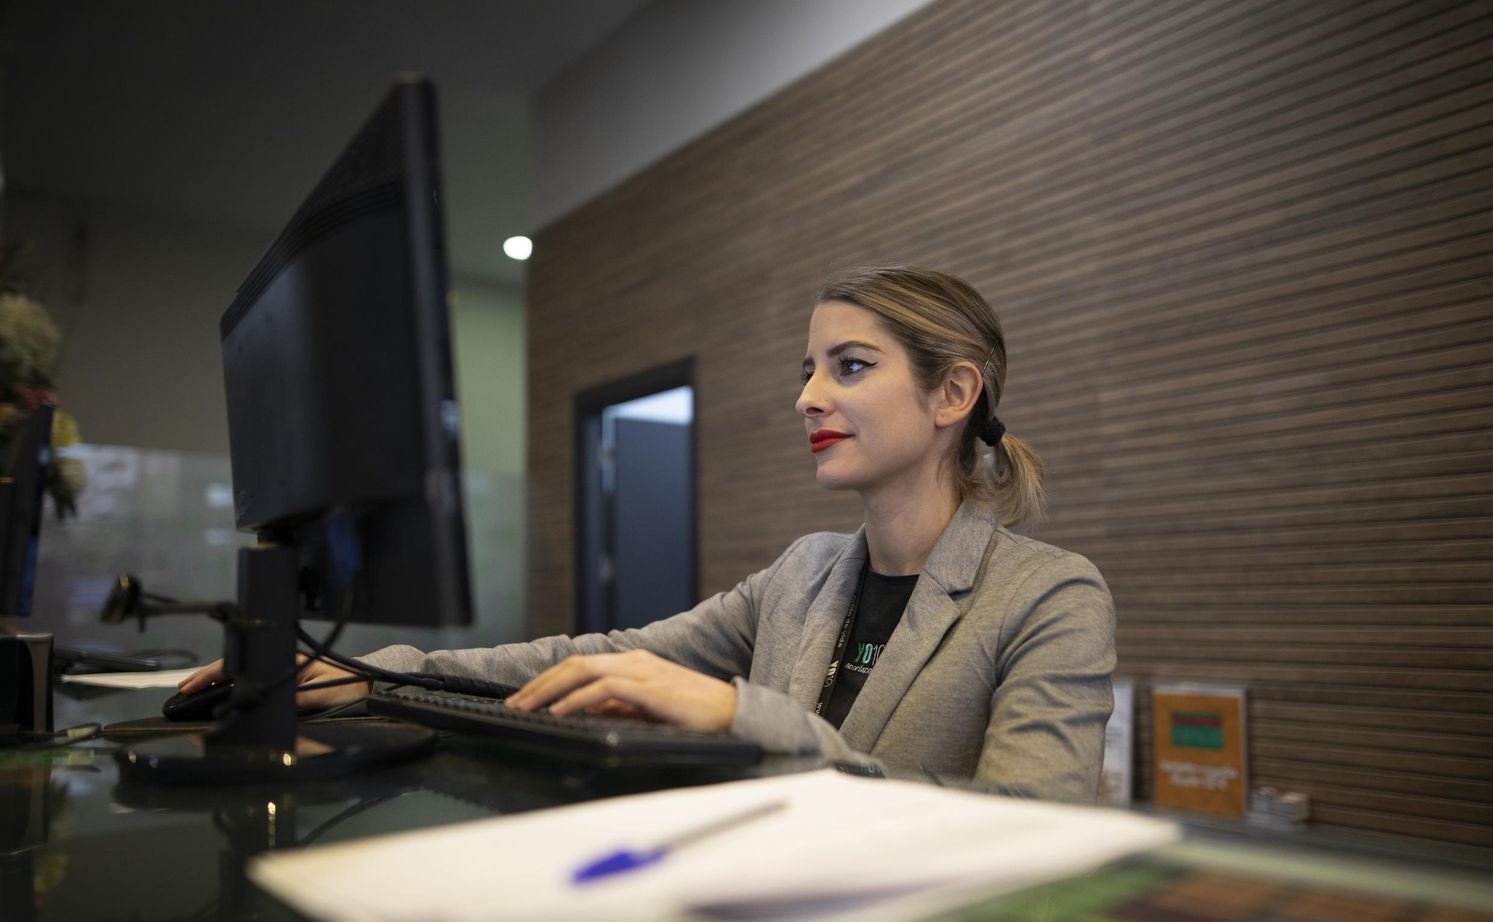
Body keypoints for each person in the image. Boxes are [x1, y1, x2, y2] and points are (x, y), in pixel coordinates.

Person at [179, 266, 1115, 801]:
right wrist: (376, 671)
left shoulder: (1049, 594)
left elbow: (1035, 822)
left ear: (953, 393)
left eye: (850, 366)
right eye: (807, 370)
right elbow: (600, 654)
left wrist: (740, 713)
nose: (807, 397)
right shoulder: (806, 573)